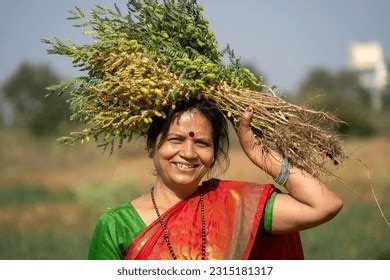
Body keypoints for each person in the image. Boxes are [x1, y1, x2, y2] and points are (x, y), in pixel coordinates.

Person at [88, 98, 343, 260]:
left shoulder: (236, 204)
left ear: (214, 153)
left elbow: (324, 205)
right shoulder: (116, 225)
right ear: (151, 145)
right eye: (176, 139)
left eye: (201, 143)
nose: (188, 153)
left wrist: (260, 154)